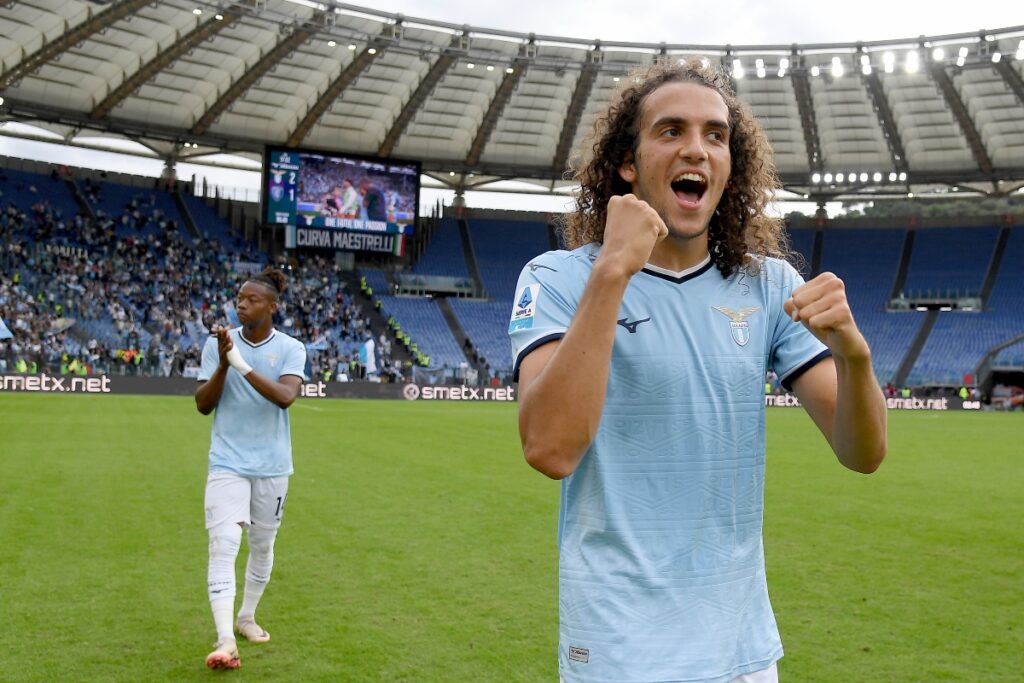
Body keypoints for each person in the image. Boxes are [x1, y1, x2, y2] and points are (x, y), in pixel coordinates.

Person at [509, 59, 887, 683]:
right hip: (619, 650)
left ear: (732, 165)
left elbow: (862, 453)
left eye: (716, 135)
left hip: (741, 650)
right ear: (627, 163)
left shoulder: (768, 286)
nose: (698, 149)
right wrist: (612, 271)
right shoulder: (558, 278)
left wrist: (855, 355)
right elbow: (549, 448)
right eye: (671, 131)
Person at [194, 267, 307, 670]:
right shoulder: (217, 347)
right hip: (227, 462)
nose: (241, 303)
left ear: (272, 306)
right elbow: (203, 404)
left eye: (251, 299)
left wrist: (239, 363)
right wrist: (224, 363)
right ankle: (225, 639)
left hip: (273, 466)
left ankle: (247, 617)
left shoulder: (292, 348)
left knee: (262, 547)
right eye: (239, 298)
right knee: (223, 543)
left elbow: (285, 397)